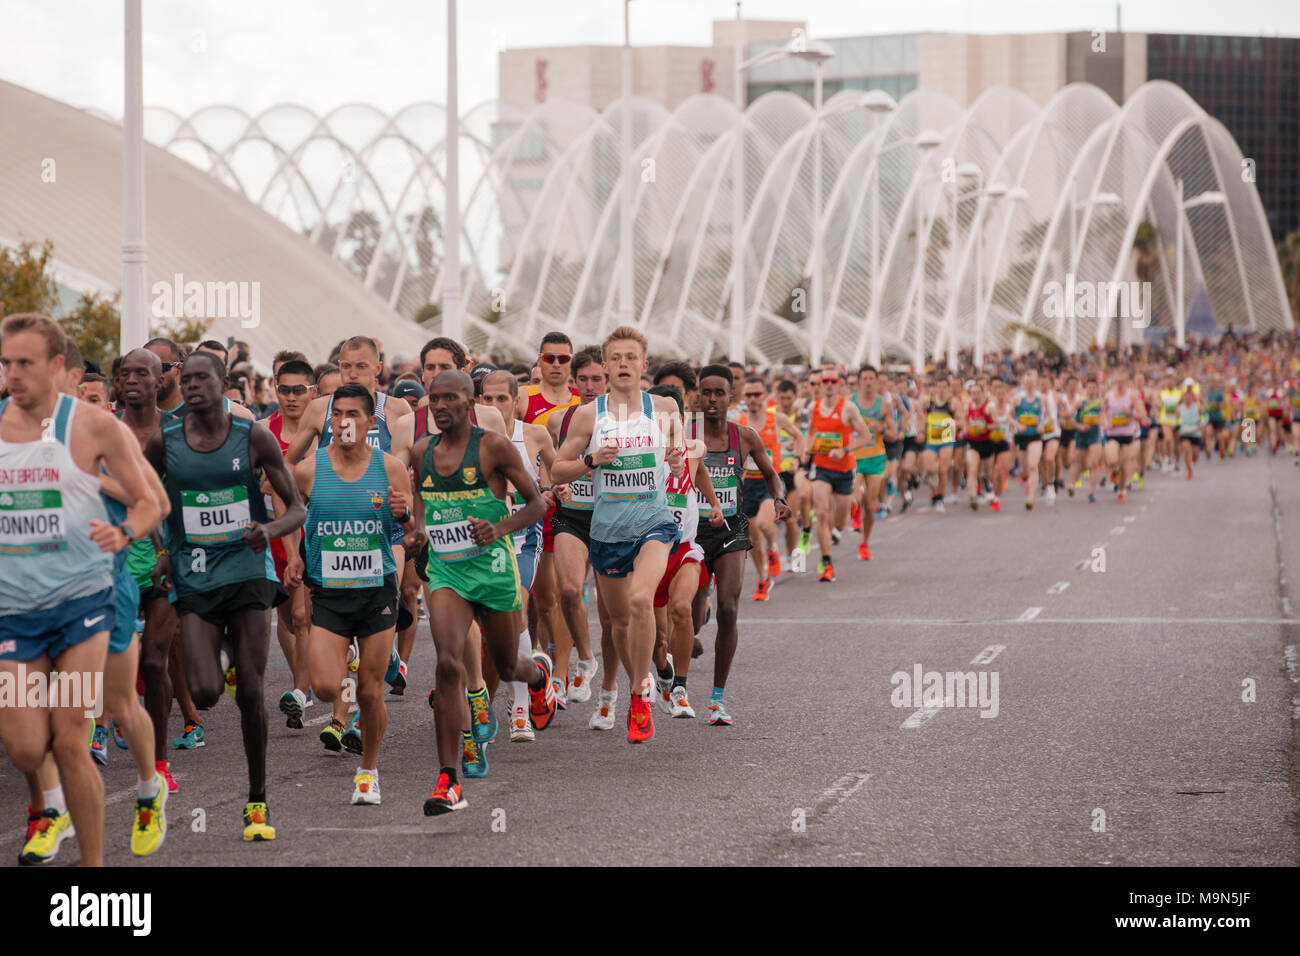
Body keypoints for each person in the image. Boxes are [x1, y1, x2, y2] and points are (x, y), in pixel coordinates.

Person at [1, 313, 161, 867]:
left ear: (57, 368)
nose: (12, 374)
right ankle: (50, 809)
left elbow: (150, 502)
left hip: (90, 596)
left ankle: (109, 845)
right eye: (6, 363)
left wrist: (123, 531)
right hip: (14, 609)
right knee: (24, 744)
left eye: (24, 363)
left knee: (86, 727)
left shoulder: (94, 427)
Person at [145, 351, 306, 841]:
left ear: (223, 382)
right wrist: (162, 550)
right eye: (185, 378)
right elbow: (147, 501)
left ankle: (257, 802)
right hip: (195, 575)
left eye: (201, 378)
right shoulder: (164, 442)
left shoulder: (251, 435)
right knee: (207, 693)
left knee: (253, 690)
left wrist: (269, 529)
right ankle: (230, 653)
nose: (191, 386)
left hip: (247, 573)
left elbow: (296, 508)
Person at [412, 370, 554, 814]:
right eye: (434, 399)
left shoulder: (491, 446)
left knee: (509, 665)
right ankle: (448, 779)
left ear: (469, 401)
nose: (440, 406)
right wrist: (416, 532)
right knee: (448, 662)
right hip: (447, 572)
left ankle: (540, 676)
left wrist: (498, 529)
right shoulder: (422, 452)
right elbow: (421, 506)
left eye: (450, 398)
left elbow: (536, 504)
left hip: (494, 570)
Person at [552, 327, 685, 743]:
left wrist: (679, 460)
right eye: (617, 358)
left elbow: (681, 457)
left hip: (654, 523)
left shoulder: (662, 407)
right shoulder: (589, 416)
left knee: (641, 599)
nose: (624, 364)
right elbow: (559, 468)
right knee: (620, 625)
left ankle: (640, 694)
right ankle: (636, 681)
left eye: (632, 357)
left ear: (644, 366)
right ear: (606, 366)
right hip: (608, 531)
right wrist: (592, 460)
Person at [294, 385, 413, 804]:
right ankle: (349, 670)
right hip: (328, 591)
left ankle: (369, 770)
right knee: (326, 687)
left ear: (370, 423)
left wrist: (405, 515)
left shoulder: (391, 469)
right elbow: (289, 509)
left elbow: (412, 533)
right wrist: (296, 554)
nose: (344, 422)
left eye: (354, 415)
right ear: (329, 422)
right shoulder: (309, 470)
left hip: (376, 589)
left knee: (370, 690)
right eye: (337, 414)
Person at [688, 365, 790, 724]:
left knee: (729, 609)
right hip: (692, 530)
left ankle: (717, 699)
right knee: (690, 615)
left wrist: (779, 499)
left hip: (731, 529)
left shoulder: (744, 436)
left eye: (719, 393)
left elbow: (771, 474)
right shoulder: (685, 433)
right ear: (698, 395)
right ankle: (695, 624)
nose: (712, 399)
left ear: (731, 397)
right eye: (706, 393)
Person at [549, 348, 609, 720]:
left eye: (596, 379)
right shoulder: (561, 420)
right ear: (573, 382)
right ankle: (585, 660)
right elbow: (554, 466)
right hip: (573, 515)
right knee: (569, 590)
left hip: (614, 517)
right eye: (582, 379)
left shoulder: (628, 419)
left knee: (611, 607)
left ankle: (621, 683)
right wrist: (558, 485)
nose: (589, 387)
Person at [264, 361, 316, 728]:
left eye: (300, 390)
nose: (292, 396)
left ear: (312, 391)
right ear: (275, 389)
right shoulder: (263, 431)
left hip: (315, 533)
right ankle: (302, 684)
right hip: (275, 533)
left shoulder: (321, 432)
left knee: (302, 616)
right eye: (285, 389)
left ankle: (300, 690)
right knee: (285, 616)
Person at [804, 367, 870, 581]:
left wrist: (844, 450)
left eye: (833, 381)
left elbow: (865, 437)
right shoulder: (813, 407)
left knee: (840, 521)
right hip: (822, 467)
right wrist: (807, 450)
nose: (829, 384)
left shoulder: (848, 408)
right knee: (822, 513)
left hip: (844, 469)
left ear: (839, 384)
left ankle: (840, 525)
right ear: (821, 384)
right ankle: (827, 563)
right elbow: (811, 432)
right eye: (826, 381)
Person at [737, 376, 801, 596]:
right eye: (749, 395)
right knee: (752, 538)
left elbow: (799, 436)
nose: (753, 399)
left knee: (766, 523)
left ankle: (774, 548)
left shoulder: (777, 418)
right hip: (747, 485)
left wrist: (797, 458)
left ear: (764, 396)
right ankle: (763, 578)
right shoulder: (739, 421)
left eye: (757, 394)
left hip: (770, 481)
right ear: (744, 397)